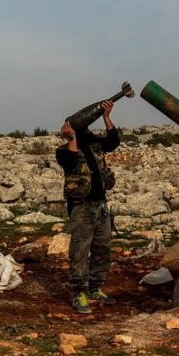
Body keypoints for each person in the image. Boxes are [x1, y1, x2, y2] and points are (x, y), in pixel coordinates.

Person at [56, 100, 120, 314]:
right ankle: (78, 292)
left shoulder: (95, 146)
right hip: (81, 207)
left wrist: (107, 117)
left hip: (101, 206)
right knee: (81, 251)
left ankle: (95, 288)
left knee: (102, 250)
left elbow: (113, 142)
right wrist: (72, 137)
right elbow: (72, 160)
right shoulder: (63, 151)